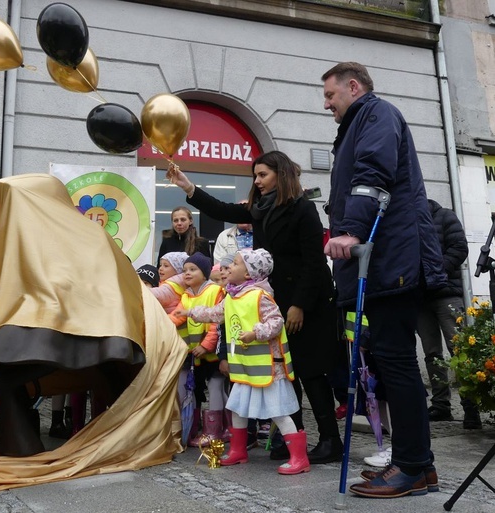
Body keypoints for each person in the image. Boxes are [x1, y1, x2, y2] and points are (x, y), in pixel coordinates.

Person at [167, 151, 343, 465]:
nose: (257, 181)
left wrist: (299, 305)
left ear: (281, 174)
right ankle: (291, 439)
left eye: (262, 175)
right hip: (276, 299)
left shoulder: (302, 208)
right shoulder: (261, 208)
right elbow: (220, 208)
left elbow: (314, 263)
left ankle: (331, 440)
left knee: (310, 370)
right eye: (255, 176)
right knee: (284, 374)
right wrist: (188, 188)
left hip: (307, 301)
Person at [321, 61, 446, 498]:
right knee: (394, 362)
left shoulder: (375, 114)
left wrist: (351, 230)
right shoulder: (363, 120)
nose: (327, 105)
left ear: (353, 87)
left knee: (396, 362)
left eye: (331, 95)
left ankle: (411, 466)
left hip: (390, 258)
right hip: (384, 260)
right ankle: (419, 465)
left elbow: (372, 175)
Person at [178, 249, 309, 474]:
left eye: (235, 264)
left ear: (249, 274)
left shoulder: (260, 296)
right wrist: (190, 312)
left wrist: (255, 333)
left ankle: (299, 458)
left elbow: (276, 322)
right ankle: (238, 450)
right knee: (237, 407)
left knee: (278, 411)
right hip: (244, 369)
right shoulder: (233, 296)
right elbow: (215, 313)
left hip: (268, 369)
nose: (228, 268)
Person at [418, 199, 480, 428]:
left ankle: (470, 407)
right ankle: (441, 405)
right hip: (421, 299)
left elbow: (459, 248)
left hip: (447, 294)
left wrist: (437, 271)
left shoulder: (444, 216)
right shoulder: (408, 221)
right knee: (432, 353)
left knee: (459, 350)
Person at [169, 252, 226, 446]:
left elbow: (215, 324)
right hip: (195, 355)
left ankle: (216, 431)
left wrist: (206, 345)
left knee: (216, 388)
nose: (187, 273)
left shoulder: (214, 291)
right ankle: (195, 429)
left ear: (204, 273)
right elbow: (178, 316)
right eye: (185, 270)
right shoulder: (186, 295)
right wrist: (160, 324)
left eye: (193, 269)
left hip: (211, 353)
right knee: (194, 389)